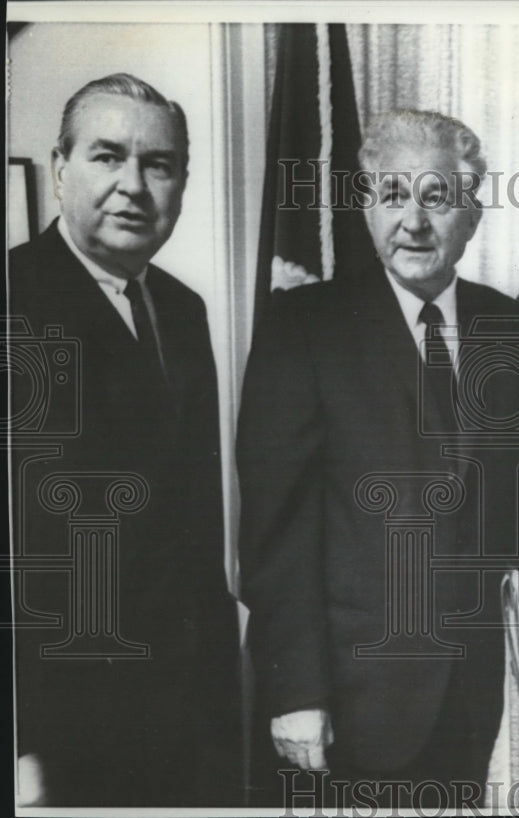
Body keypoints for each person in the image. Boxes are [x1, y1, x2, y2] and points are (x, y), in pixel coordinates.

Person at [237, 108, 519, 809]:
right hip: (347, 700)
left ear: (470, 215)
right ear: (366, 208)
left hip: (469, 694)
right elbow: (276, 535)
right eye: (392, 195)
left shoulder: (513, 326)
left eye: (436, 197)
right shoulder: (304, 328)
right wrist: (295, 692)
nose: (413, 220)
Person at [8, 73, 240, 806]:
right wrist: (19, 746)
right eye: (108, 157)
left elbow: (194, 525)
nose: (133, 185)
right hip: (57, 726)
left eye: (158, 164)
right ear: (60, 167)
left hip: (187, 717)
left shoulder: (182, 309)